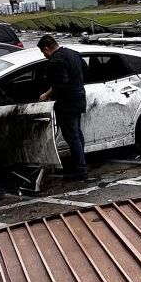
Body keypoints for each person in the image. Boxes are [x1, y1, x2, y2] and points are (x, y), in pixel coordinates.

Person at [37, 35, 89, 179]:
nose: (44, 55)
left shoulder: (56, 61)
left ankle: (80, 169)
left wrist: (47, 94)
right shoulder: (73, 53)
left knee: (72, 136)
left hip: (67, 103)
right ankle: (80, 164)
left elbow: (61, 83)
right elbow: (85, 68)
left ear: (47, 48)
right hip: (79, 98)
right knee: (77, 133)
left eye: (43, 52)